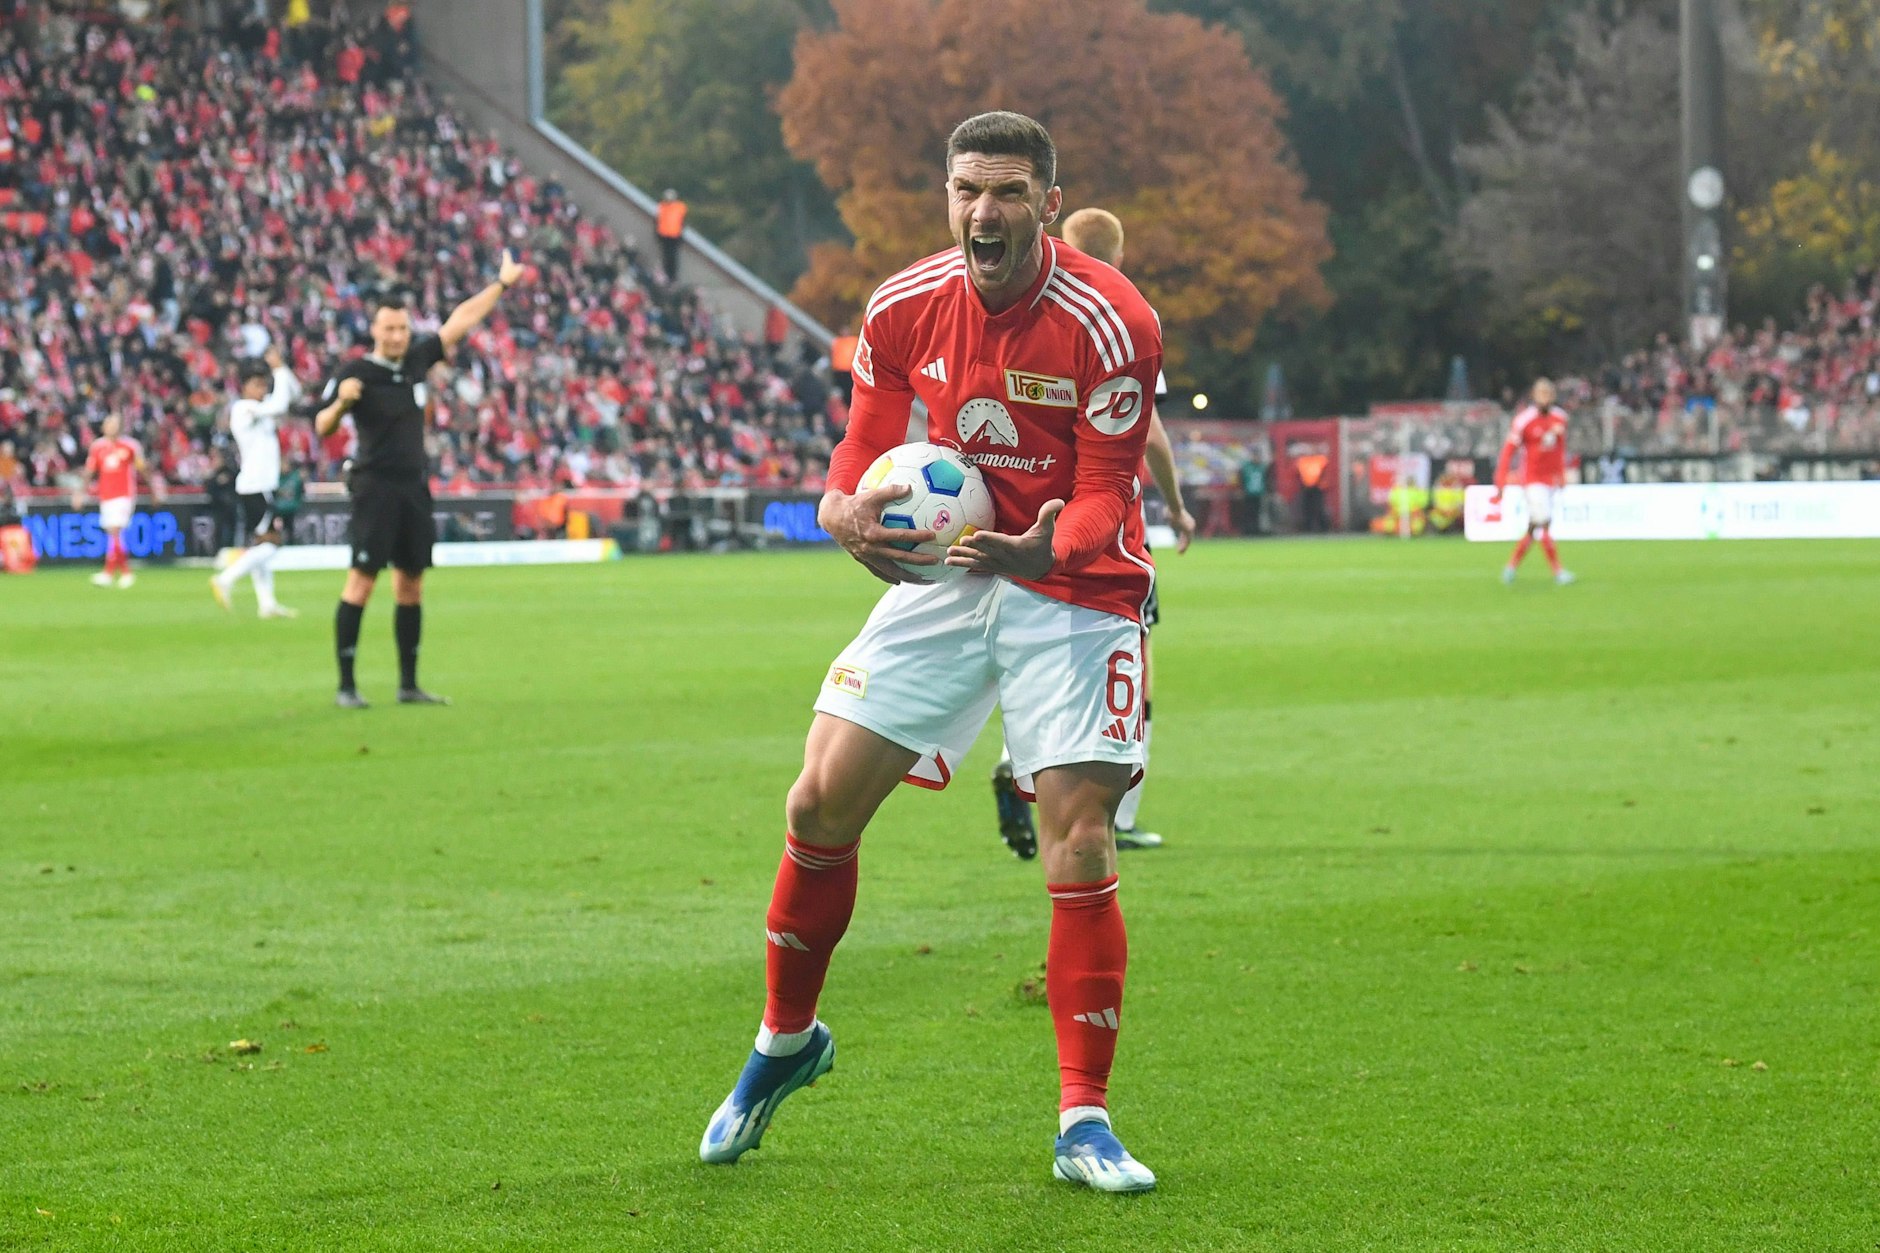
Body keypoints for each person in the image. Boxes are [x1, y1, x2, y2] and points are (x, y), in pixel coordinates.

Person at [698, 111, 1163, 1193]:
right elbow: (867, 440)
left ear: (1046, 204)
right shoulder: (902, 303)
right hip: (953, 568)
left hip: (1075, 582)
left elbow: (1103, 494)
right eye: (966, 191)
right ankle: (783, 1041)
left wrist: (1049, 539)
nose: (982, 212)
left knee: (1077, 833)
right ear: (945, 195)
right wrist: (837, 506)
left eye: (1006, 192)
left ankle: (1082, 1121)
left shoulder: (1110, 319)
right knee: (816, 801)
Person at [991, 206, 1194, 857]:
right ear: (1121, 251)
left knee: (1042, 654)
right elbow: (1149, 432)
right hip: (1110, 525)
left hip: (1035, 520)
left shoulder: (1025, 310)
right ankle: (1118, 815)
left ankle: (1013, 759)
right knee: (1130, 666)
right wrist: (1178, 503)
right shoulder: (1121, 316)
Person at [314, 250, 530, 708]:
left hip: (414, 487)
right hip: (374, 486)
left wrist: (502, 284)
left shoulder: (415, 360)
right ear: (373, 330)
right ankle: (346, 685)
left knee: (411, 583)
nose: (397, 336)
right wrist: (341, 406)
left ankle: (408, 684)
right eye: (389, 328)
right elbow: (321, 426)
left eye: (402, 328)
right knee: (362, 581)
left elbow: (461, 320)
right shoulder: (356, 373)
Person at [210, 347, 303, 618]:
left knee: (263, 542)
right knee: (271, 544)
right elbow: (281, 404)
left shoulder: (259, 409)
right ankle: (225, 579)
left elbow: (292, 394)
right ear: (244, 387)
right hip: (255, 484)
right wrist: (278, 369)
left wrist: (282, 370)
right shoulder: (244, 408)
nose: (262, 389)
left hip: (261, 483)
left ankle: (267, 604)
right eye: (257, 385)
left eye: (265, 385)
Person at [1493, 378, 1575, 585]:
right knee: (1545, 523)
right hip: (1532, 480)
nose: (1545, 398)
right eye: (1541, 393)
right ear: (1534, 396)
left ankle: (1511, 568)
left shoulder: (1560, 418)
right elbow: (1508, 452)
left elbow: (1559, 450)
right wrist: (1500, 480)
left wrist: (1561, 475)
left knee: (1533, 526)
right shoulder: (1523, 421)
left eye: (1548, 393)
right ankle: (1558, 572)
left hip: (1550, 481)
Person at [72, 414, 153, 588]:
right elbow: (89, 472)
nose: (112, 427)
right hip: (106, 495)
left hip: (124, 494)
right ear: (103, 427)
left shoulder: (130, 446)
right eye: (109, 424)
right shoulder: (97, 447)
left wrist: (153, 489)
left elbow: (143, 469)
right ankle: (119, 573)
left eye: (115, 424)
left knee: (115, 530)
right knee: (113, 533)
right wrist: (80, 493)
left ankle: (116, 573)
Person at [655, 189, 687, 284]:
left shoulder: (680, 206)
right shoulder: (661, 206)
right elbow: (657, 220)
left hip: (675, 235)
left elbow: (682, 221)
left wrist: (681, 235)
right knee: (666, 256)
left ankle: (672, 276)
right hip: (664, 235)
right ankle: (666, 275)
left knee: (673, 257)